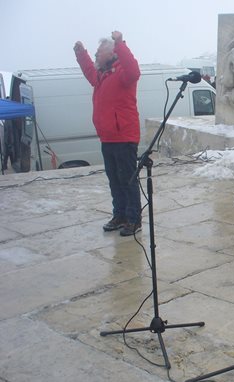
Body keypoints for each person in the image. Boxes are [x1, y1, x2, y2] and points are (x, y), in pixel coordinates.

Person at [74, 31, 142, 236]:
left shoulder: (123, 72)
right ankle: (119, 215)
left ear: (111, 54)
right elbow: (88, 71)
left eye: (97, 53)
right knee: (114, 179)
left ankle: (134, 219)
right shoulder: (102, 75)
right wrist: (80, 53)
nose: (95, 55)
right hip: (108, 137)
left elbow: (134, 69)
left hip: (124, 136)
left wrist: (120, 42)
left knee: (127, 179)